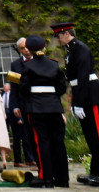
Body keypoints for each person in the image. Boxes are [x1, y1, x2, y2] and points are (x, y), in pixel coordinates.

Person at [53, 21, 99, 187]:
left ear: (66, 33)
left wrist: (78, 102)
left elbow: (83, 77)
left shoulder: (81, 48)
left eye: (58, 36)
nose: (57, 39)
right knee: (91, 137)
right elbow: (74, 81)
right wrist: (75, 102)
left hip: (91, 95)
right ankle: (96, 172)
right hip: (83, 93)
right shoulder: (72, 49)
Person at [20, 35, 69, 188]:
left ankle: (46, 178)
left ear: (30, 50)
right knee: (58, 143)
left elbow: (24, 88)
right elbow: (62, 87)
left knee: (42, 142)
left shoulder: (27, 66)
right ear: (43, 48)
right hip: (54, 107)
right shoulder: (54, 65)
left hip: (36, 109)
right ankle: (62, 179)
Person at [9, 37, 36, 168]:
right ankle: (31, 159)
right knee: (27, 134)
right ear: (19, 50)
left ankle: (38, 160)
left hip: (39, 103)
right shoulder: (15, 65)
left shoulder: (40, 60)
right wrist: (14, 106)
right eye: (22, 48)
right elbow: (13, 87)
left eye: (27, 47)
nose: (26, 50)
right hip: (23, 104)